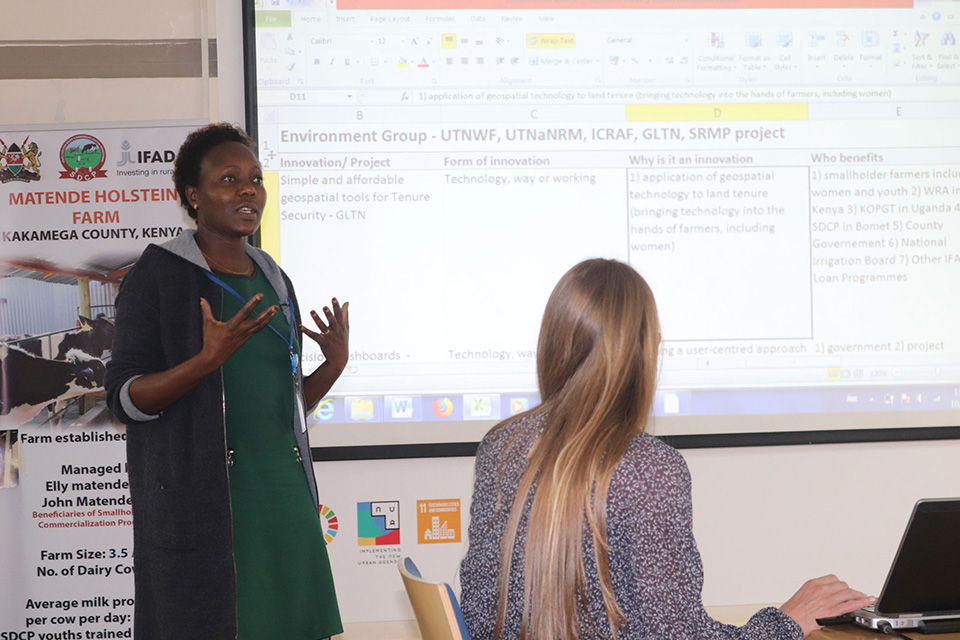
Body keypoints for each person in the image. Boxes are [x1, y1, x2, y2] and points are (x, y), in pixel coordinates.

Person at [459, 259, 873, 640]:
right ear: (646, 352)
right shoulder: (648, 469)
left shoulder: (502, 447)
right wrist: (788, 621)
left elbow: (478, 615)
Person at [105, 123, 347, 640]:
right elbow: (125, 399)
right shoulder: (159, 275)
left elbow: (284, 405)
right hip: (208, 505)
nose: (248, 190)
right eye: (229, 179)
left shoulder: (274, 277)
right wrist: (202, 361)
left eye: (255, 179)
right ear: (193, 196)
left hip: (283, 495)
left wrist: (332, 365)